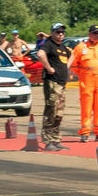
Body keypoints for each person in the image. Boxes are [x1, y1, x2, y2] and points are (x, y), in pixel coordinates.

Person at [68, 24, 98, 141]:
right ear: (89, 34)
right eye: (95, 33)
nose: (97, 35)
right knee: (86, 107)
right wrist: (83, 75)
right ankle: (85, 132)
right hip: (87, 80)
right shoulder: (81, 47)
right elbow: (74, 65)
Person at [37, 23, 70, 151]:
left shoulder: (62, 46)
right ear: (52, 33)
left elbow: (71, 55)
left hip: (61, 84)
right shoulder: (49, 44)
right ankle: (48, 140)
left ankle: (56, 139)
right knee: (51, 111)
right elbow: (40, 54)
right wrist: (49, 68)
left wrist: (67, 68)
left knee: (59, 113)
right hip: (52, 83)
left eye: (62, 32)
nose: (61, 34)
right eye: (58, 32)